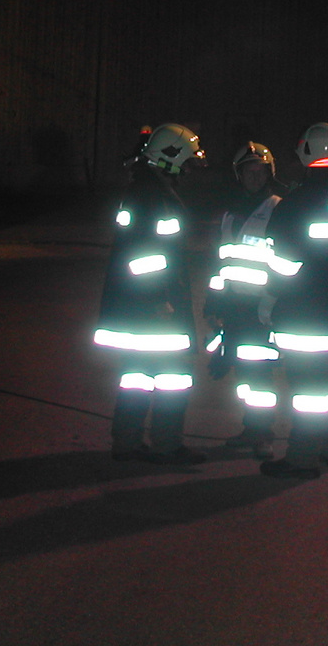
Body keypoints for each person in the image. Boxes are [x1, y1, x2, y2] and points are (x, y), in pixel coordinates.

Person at [93, 123, 208, 465]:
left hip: (137, 309)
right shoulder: (152, 196)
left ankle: (127, 443)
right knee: (173, 378)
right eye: (186, 161)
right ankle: (166, 446)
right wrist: (161, 300)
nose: (188, 169)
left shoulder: (146, 190)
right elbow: (145, 257)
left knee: (136, 377)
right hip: (155, 312)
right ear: (170, 157)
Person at [259, 123, 328, 480]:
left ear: (305, 152)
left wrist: (269, 298)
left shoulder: (297, 203)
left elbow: (282, 264)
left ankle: (302, 459)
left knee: (306, 389)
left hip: (303, 311)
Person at [204, 142, 288, 459]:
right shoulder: (231, 214)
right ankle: (251, 429)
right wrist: (213, 305)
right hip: (234, 308)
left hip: (262, 309)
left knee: (261, 374)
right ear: (238, 175)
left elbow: (284, 263)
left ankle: (263, 433)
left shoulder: (278, 209)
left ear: (269, 173)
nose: (254, 176)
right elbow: (221, 262)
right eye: (248, 171)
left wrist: (272, 305)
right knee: (243, 373)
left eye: (260, 170)